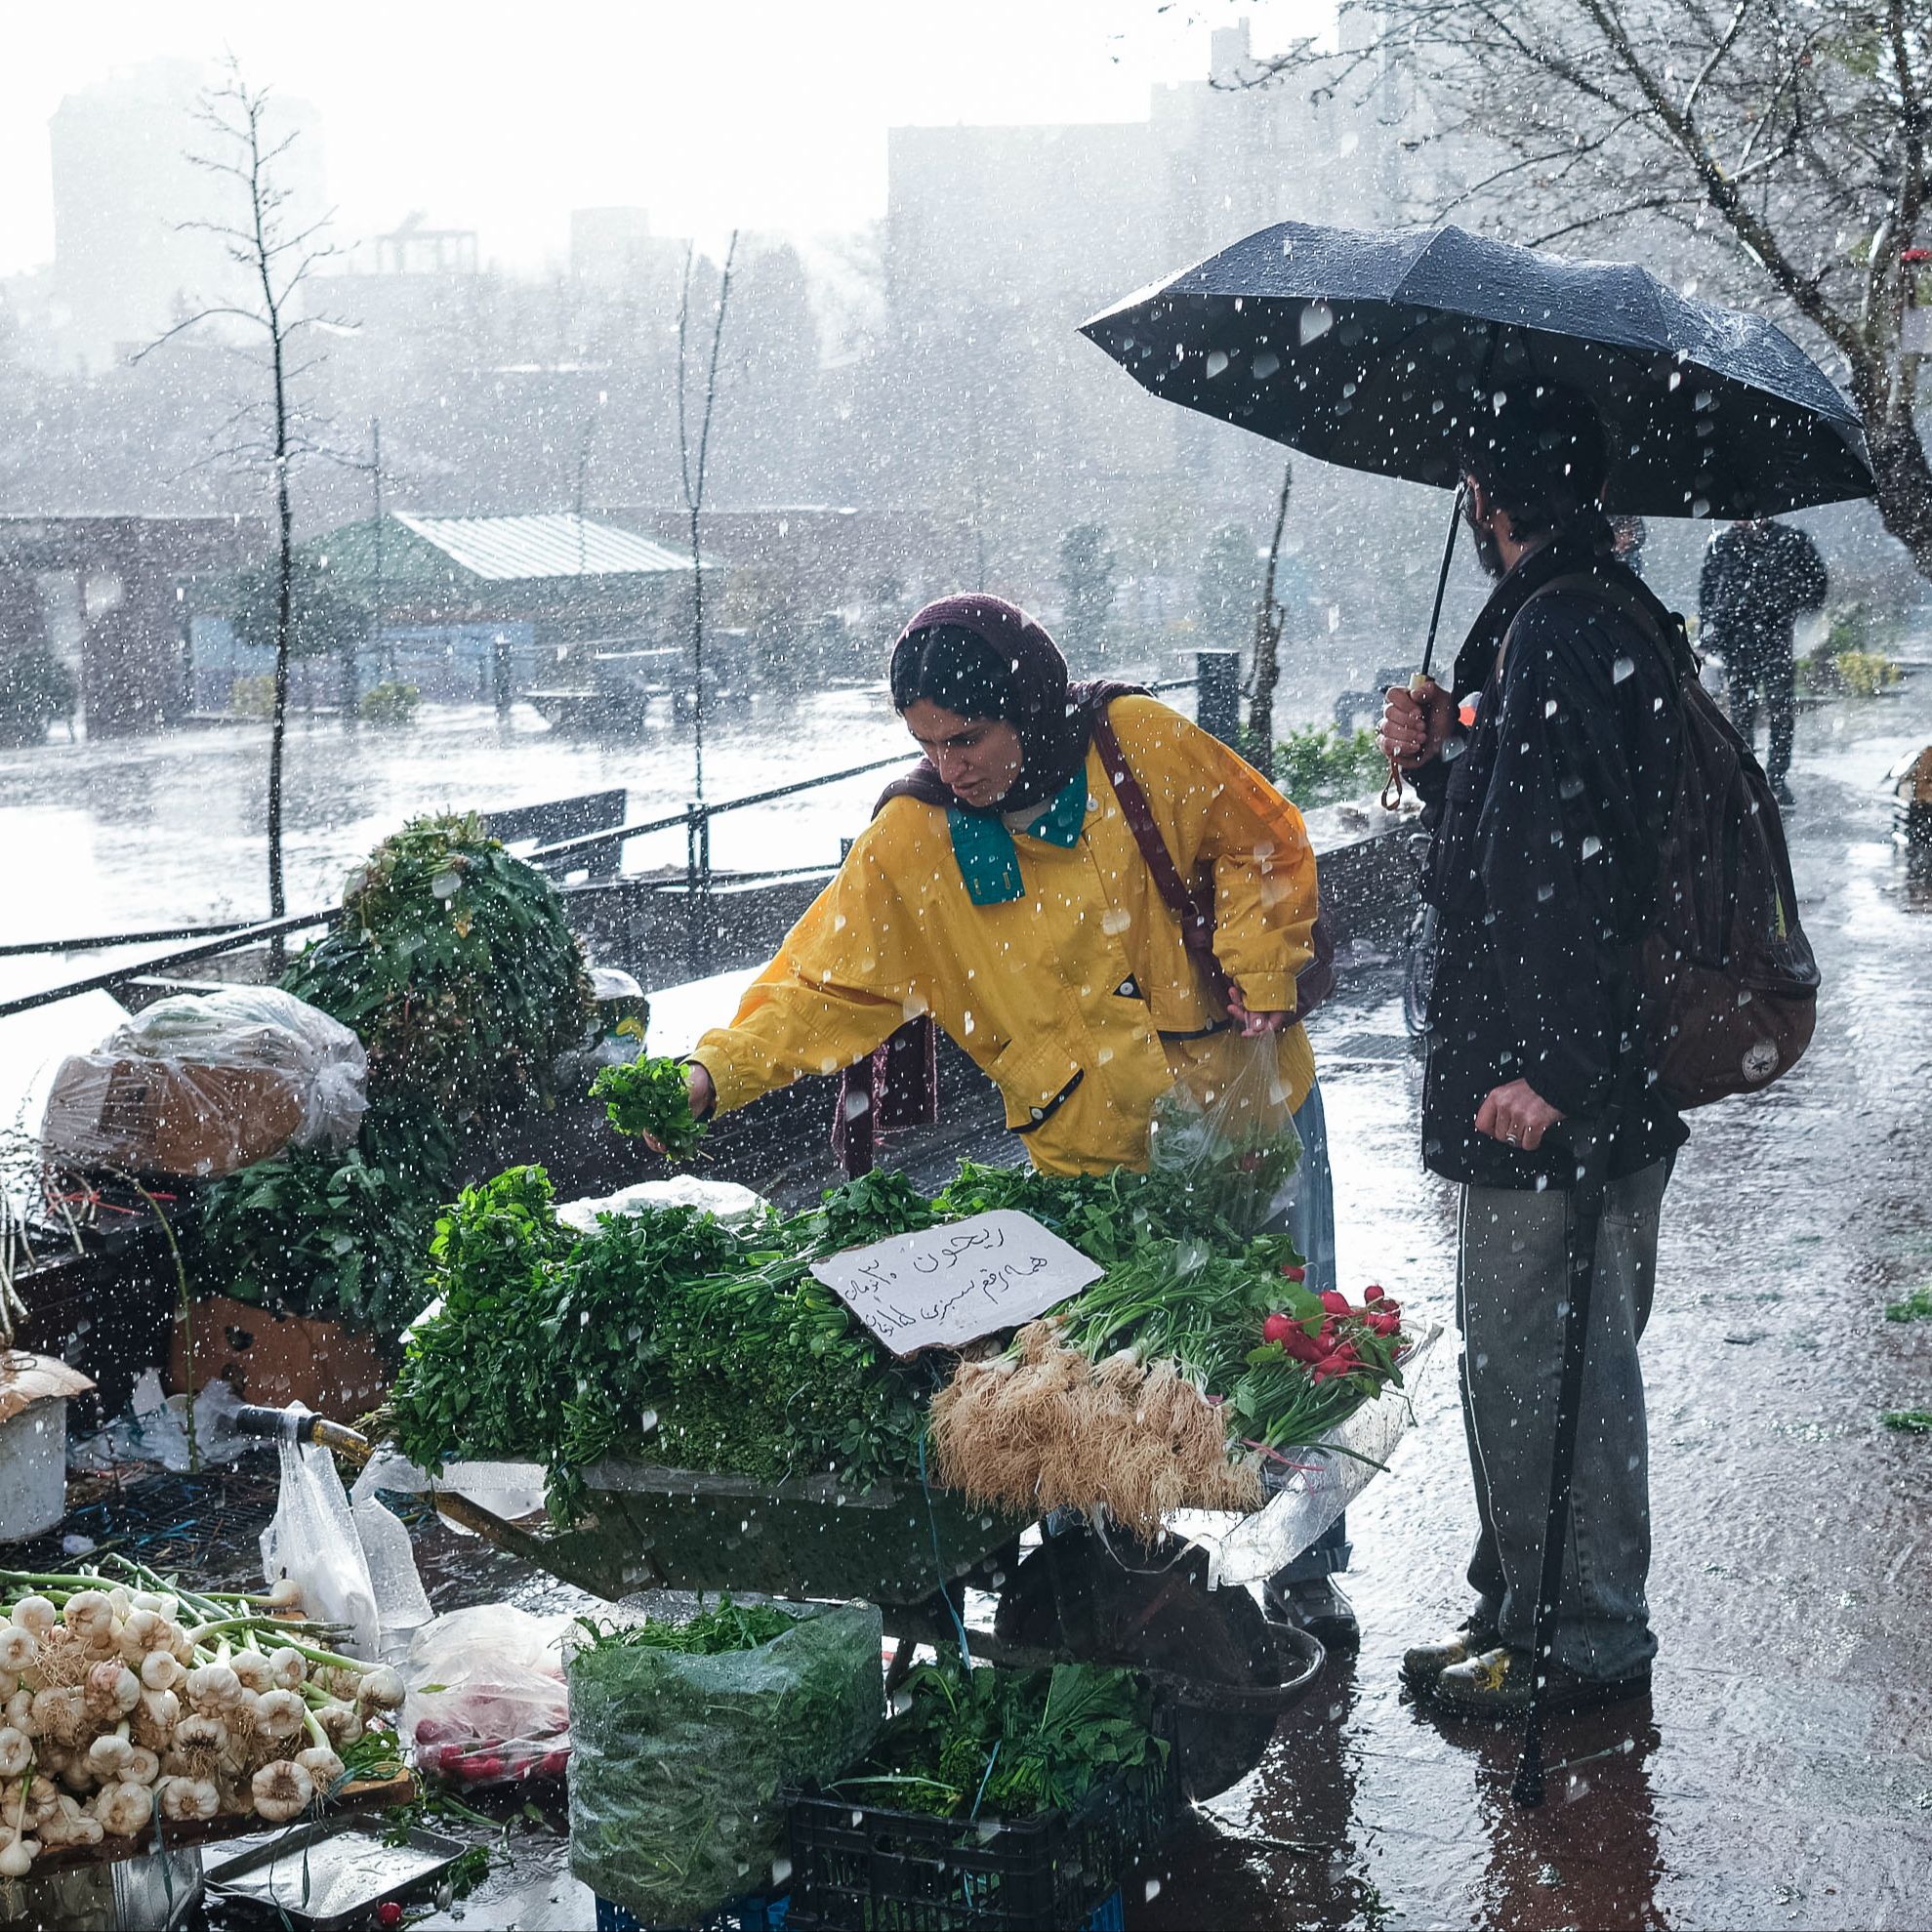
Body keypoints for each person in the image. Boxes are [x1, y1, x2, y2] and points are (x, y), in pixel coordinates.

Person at [663, 593, 1356, 1642]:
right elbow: (819, 986)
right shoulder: (915, 837)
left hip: (1237, 1115)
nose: (952, 764)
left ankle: (1304, 1569)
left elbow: (1261, 841)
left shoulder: (1132, 745)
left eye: (969, 736)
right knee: (1102, 1374)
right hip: (1084, 1152)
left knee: (1282, 1347)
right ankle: (1106, 1581)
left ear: (1027, 708)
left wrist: (1262, 969)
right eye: (929, 743)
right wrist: (711, 1074)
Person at [1377, 386, 1684, 1716]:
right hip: (1602, 1062)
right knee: (1567, 1356)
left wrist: (1551, 1071)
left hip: (1551, 1078)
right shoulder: (1599, 616)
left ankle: (1578, 1636)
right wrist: (1446, 759)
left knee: (1534, 1360)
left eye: (1468, 478)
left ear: (1490, 497)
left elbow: (1552, 873)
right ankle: (1524, 1607)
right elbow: (1531, 833)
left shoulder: (1555, 628)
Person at [1698, 515, 1828, 805]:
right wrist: (1709, 636)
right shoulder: (1723, 544)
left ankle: (1776, 778)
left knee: (1780, 709)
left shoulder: (1790, 541)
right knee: (1743, 713)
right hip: (1738, 641)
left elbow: (1817, 582)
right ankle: (1747, 776)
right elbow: (1707, 594)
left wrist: (1792, 603)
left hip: (1775, 637)